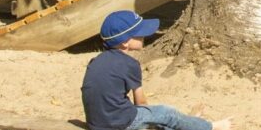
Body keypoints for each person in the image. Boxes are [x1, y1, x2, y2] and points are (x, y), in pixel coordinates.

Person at [81, 10, 232, 130]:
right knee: (166, 114)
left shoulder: (95, 61)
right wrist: (150, 115)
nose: (143, 36)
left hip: (97, 124)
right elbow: (141, 103)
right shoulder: (130, 64)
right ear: (126, 42)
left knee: (153, 122)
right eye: (139, 34)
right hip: (120, 123)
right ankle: (210, 126)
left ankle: (190, 124)